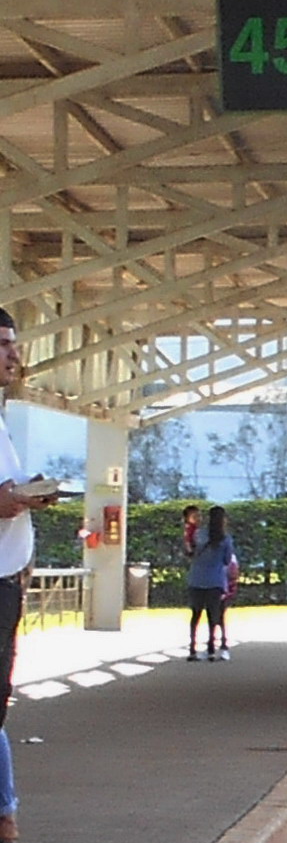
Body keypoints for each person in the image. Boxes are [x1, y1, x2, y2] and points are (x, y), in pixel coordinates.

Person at [0, 307, 56, 842]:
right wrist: (15, 498)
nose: (14, 355)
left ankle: (6, 816)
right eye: (2, 345)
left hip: (6, 582)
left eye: (13, 344)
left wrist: (26, 490)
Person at [186, 506, 237, 662]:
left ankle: (193, 648)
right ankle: (211, 648)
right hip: (215, 580)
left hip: (196, 578)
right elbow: (227, 560)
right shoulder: (225, 539)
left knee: (195, 614)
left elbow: (189, 552)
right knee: (213, 614)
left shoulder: (199, 534)